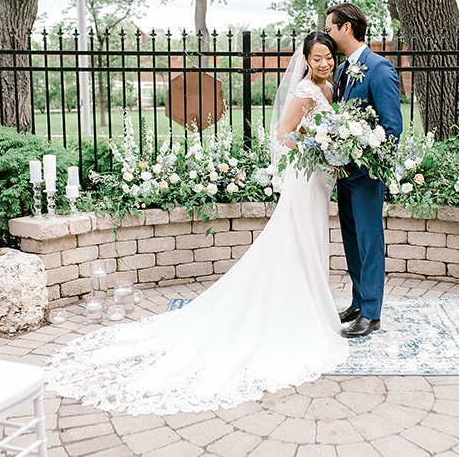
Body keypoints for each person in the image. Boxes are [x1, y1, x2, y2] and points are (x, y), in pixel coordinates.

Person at [46, 31, 349, 416]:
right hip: (304, 180)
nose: (324, 63)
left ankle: (312, 302)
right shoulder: (305, 91)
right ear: (306, 59)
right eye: (317, 58)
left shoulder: (330, 87)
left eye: (329, 57)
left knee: (310, 241)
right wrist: (317, 147)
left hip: (318, 180)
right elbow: (283, 135)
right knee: (297, 240)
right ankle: (297, 310)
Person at [324, 3, 403, 338]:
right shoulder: (342, 70)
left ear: (346, 28)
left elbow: (392, 126)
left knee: (369, 241)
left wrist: (374, 166)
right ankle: (358, 302)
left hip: (367, 175)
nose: (327, 33)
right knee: (352, 240)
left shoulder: (379, 69)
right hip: (344, 173)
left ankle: (372, 313)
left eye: (329, 28)